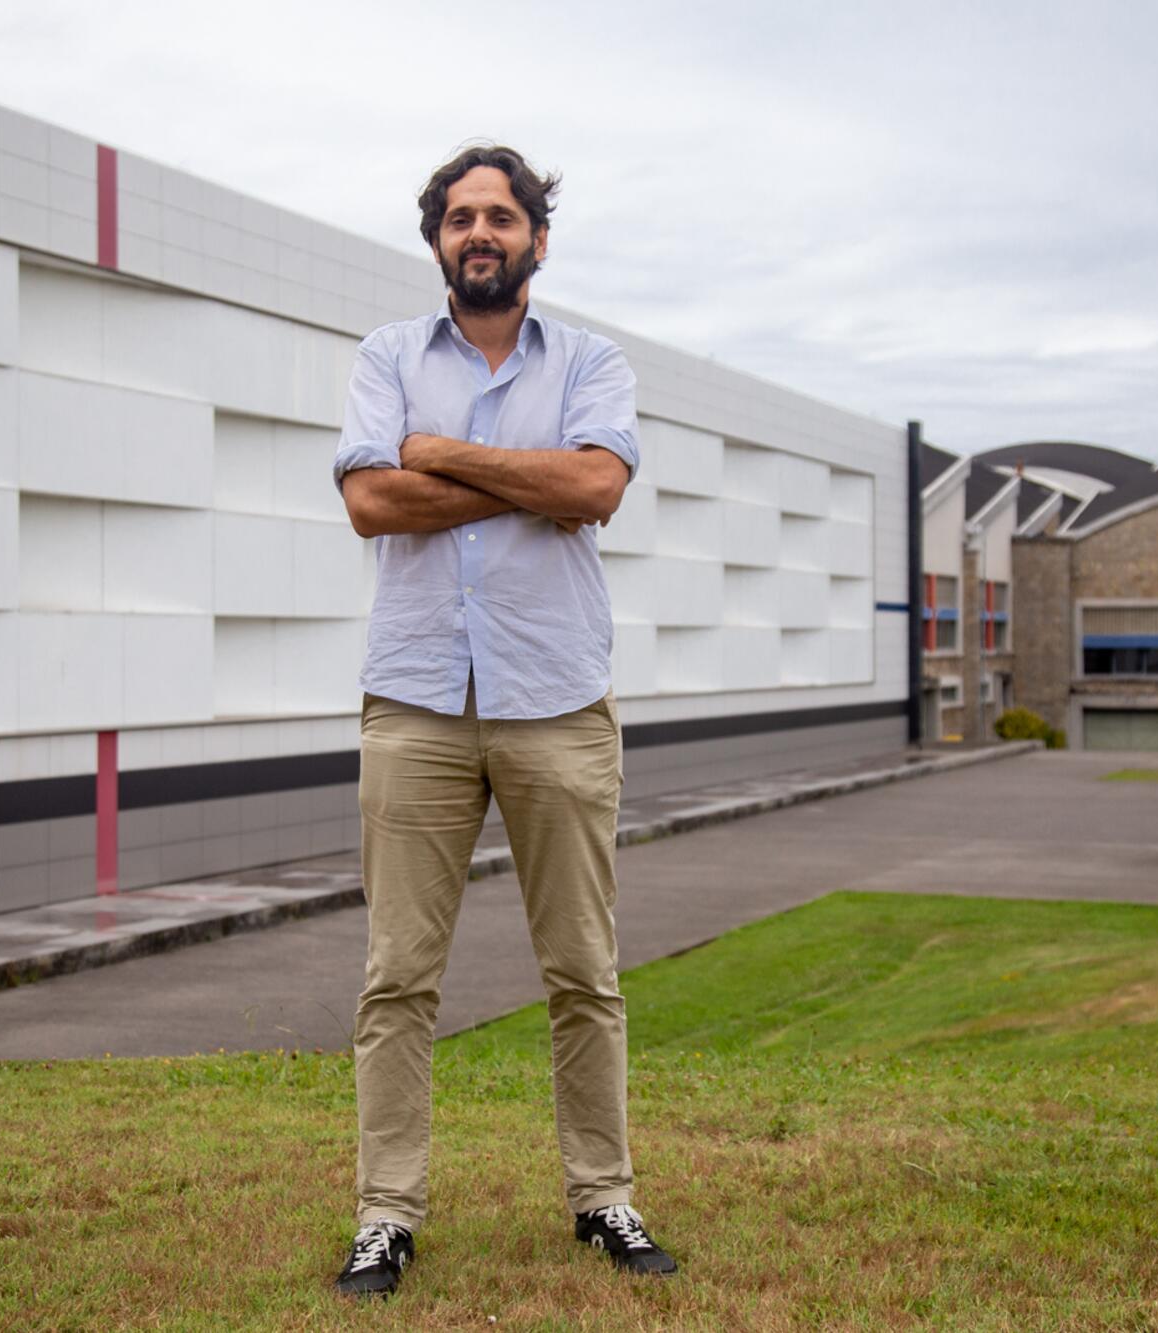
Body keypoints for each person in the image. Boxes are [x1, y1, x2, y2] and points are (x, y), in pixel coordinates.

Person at [328, 143, 678, 1299]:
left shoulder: (592, 360)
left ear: (536, 235)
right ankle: (386, 1215)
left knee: (583, 969)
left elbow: (594, 490)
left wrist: (442, 454)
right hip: (417, 698)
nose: (481, 231)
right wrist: (520, 472)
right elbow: (373, 503)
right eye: (460, 216)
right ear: (436, 238)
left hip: (556, 702)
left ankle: (604, 1196)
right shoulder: (386, 357)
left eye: (502, 214)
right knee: (397, 977)